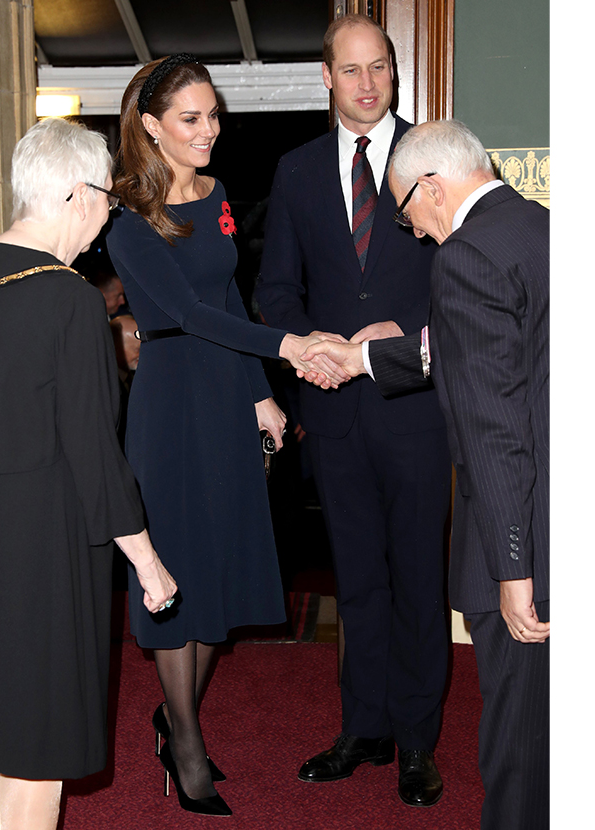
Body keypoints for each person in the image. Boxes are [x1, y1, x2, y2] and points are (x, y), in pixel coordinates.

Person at [105, 54, 346, 818]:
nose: (210, 131)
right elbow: (183, 313)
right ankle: (185, 742)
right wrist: (286, 350)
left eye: (214, 116)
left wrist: (259, 401)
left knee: (218, 569)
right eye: (191, 118)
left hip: (225, 394)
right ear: (150, 126)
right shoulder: (126, 219)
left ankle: (171, 718)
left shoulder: (215, 195)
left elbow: (230, 295)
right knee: (177, 575)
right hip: (172, 407)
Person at [303, 119, 550, 830]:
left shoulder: (466, 256)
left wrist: (513, 569)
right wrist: (364, 360)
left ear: (432, 186)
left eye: (409, 213)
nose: (413, 233)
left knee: (520, 746)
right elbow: (488, 346)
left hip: (526, 535)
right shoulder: (539, 228)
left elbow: (496, 429)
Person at [0, 117, 176, 830]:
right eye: (108, 203)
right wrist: (147, 562)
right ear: (77, 195)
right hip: (39, 551)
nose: (106, 220)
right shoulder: (72, 300)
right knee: (34, 741)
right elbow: (93, 451)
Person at [254, 14, 452, 807]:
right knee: (358, 581)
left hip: (414, 406)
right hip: (332, 412)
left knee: (416, 578)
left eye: (380, 68)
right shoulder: (298, 172)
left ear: (394, 74)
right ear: (326, 78)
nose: (367, 83)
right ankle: (362, 728)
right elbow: (275, 289)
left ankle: (416, 742)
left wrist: (400, 335)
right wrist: (304, 350)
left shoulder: (435, 159)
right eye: (352, 70)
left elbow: (460, 275)